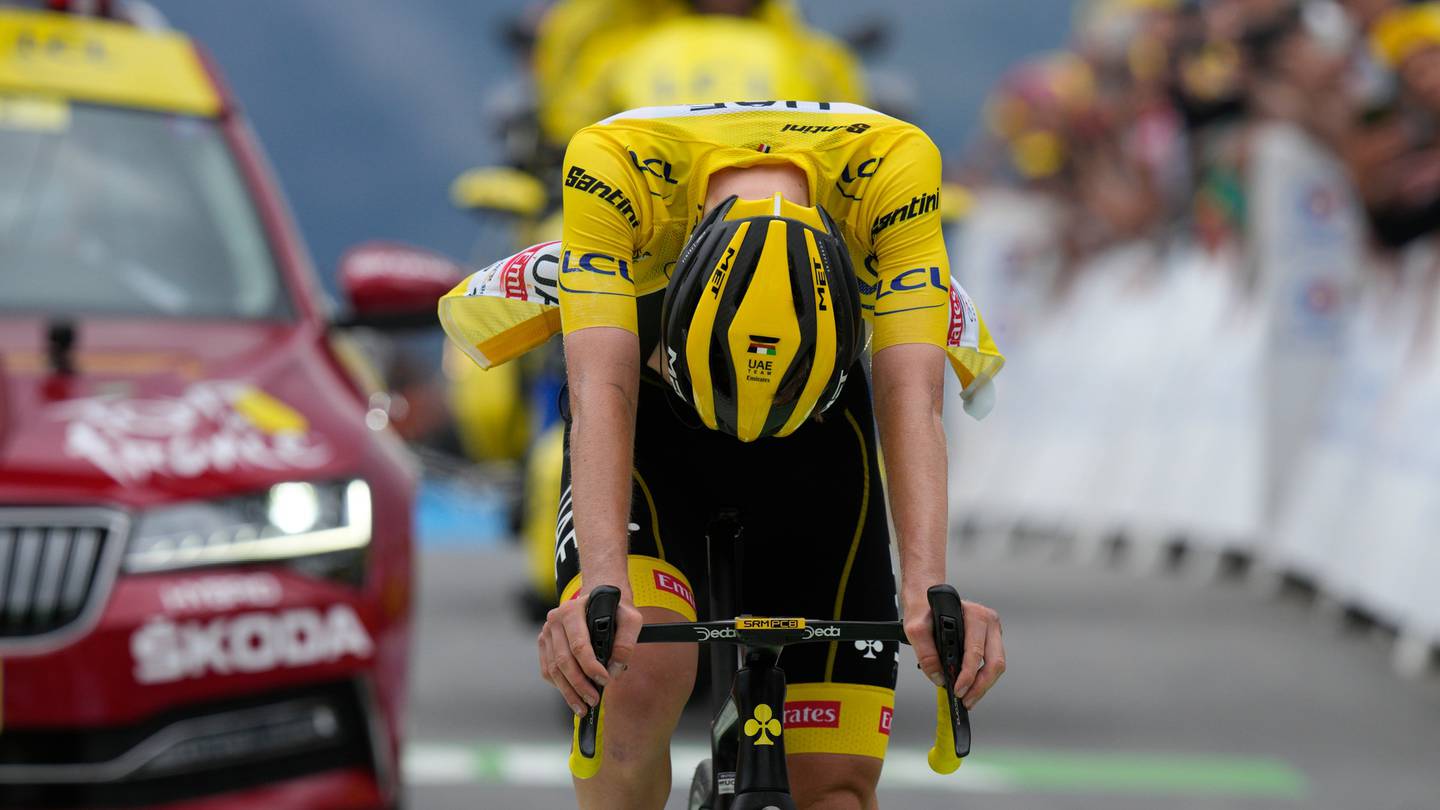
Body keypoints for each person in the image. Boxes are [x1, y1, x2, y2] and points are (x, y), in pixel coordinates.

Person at [440, 100, 1007, 809]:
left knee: (835, 790)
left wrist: (929, 589)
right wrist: (601, 586)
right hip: (655, 419)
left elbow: (912, 396)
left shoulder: (894, 170)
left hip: (820, 435)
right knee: (632, 678)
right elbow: (600, 391)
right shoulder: (613, 167)